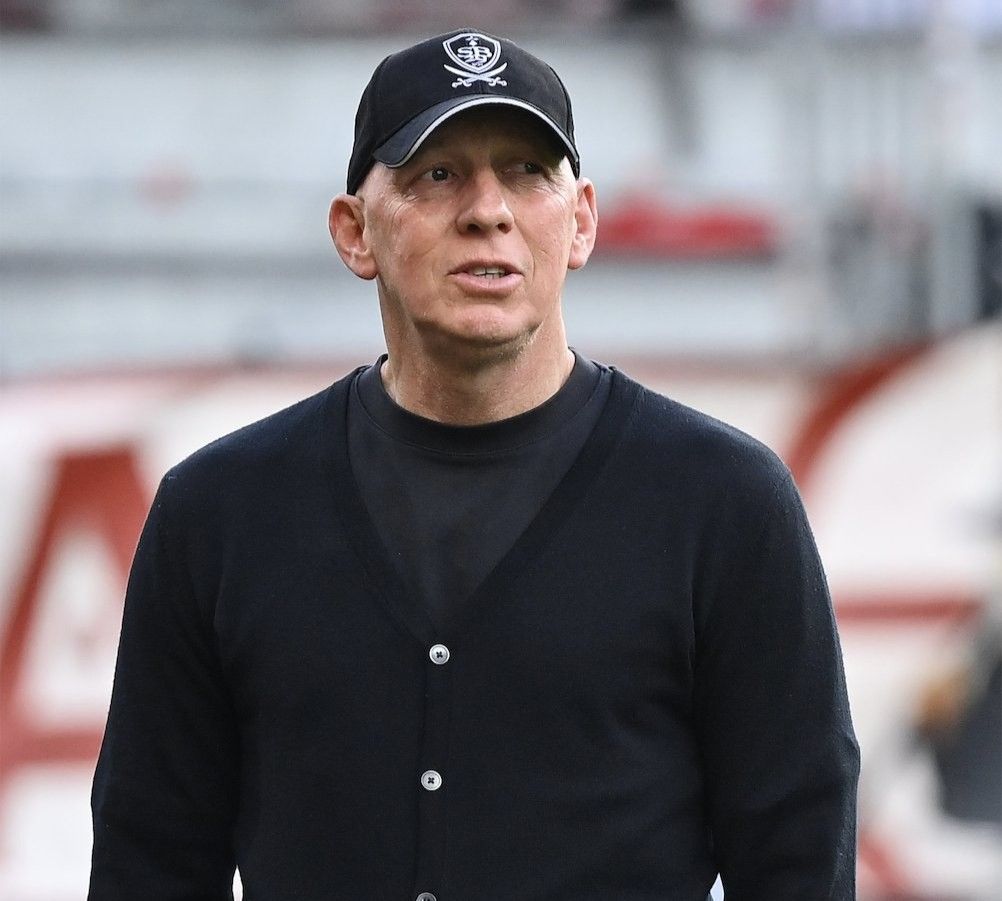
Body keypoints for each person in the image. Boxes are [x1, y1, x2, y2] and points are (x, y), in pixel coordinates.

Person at [88, 29, 860, 900]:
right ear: (354, 232)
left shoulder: (724, 503)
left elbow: (798, 862)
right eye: (436, 174)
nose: (487, 210)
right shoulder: (219, 512)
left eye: (527, 172)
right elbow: (148, 862)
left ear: (582, 221)